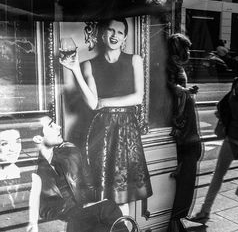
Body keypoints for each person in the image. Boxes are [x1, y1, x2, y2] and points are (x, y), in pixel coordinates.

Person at [60, 18, 152, 216]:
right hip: (100, 131)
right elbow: (93, 103)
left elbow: (137, 97)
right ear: (102, 35)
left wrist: (104, 101)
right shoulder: (88, 65)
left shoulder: (135, 60)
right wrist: (75, 69)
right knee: (102, 196)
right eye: (110, 31)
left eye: (119, 32)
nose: (114, 36)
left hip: (126, 132)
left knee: (123, 197)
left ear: (125, 37)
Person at [188, 50, 238, 224]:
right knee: (218, 175)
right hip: (231, 137)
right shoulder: (236, 83)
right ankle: (205, 212)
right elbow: (226, 102)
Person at [29, 116, 126, 232]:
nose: (58, 127)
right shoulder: (33, 170)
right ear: (38, 138)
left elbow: (89, 185)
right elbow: (43, 210)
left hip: (84, 214)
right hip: (66, 219)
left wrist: (90, 204)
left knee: (106, 218)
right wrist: (80, 209)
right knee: (107, 208)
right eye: (51, 125)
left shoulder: (70, 151)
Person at [165, 33, 202, 232]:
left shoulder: (176, 67)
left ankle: (177, 218)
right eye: (184, 49)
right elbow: (171, 88)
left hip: (186, 128)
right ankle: (175, 219)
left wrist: (187, 92)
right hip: (182, 130)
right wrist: (185, 91)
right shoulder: (170, 68)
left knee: (186, 175)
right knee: (184, 175)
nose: (188, 52)